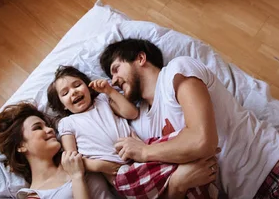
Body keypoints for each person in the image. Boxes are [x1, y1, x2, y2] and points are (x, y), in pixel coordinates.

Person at [100, 39, 279, 199]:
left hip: (278, 172)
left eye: (116, 69)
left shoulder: (176, 71)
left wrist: (144, 153)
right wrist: (177, 183)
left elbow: (203, 141)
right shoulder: (146, 125)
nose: (113, 81)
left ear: (140, 59)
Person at [46, 66, 219, 199]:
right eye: (65, 93)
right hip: (121, 176)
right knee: (178, 166)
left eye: (77, 85)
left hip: (141, 152)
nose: (74, 91)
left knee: (175, 145)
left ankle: (198, 172)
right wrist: (102, 166)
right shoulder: (67, 123)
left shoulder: (103, 100)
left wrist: (110, 91)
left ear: (88, 86)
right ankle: (198, 161)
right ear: (62, 105)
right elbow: (72, 159)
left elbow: (132, 113)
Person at [0, 101, 113, 199]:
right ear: (21, 146)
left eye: (47, 126)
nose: (50, 130)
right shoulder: (32, 196)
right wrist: (76, 177)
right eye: (37, 127)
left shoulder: (76, 153)